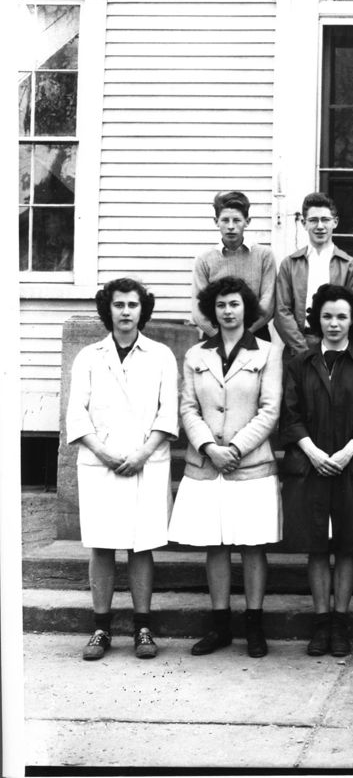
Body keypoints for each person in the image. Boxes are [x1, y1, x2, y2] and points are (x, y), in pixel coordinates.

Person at [65, 278, 179, 661]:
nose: (126, 311)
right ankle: (101, 628)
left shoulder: (161, 355)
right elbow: (76, 415)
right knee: (102, 543)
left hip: (146, 462)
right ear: (108, 309)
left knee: (141, 543)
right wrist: (106, 454)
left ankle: (142, 627)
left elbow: (168, 412)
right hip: (101, 464)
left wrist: (142, 454)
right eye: (119, 305)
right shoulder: (89, 356)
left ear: (142, 309)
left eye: (133, 305)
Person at [169, 276, 283, 658]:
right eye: (220, 305)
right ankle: (219, 626)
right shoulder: (196, 355)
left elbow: (270, 410)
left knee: (252, 546)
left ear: (245, 308)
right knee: (214, 545)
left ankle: (254, 625)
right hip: (207, 464)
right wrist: (207, 446)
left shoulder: (267, 352)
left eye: (234, 304)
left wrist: (235, 447)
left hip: (249, 463)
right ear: (212, 311)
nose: (228, 311)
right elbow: (187, 407)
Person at [278, 284, 353, 657]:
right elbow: (289, 416)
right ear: (317, 320)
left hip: (351, 466)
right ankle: (320, 621)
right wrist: (311, 451)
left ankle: (340, 621)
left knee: (346, 547)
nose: (334, 324)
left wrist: (348, 450)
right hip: (310, 468)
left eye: (342, 316)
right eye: (327, 316)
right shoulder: (299, 363)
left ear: (352, 320)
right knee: (315, 547)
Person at [275, 192, 353, 358]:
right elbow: (282, 311)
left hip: (337, 350)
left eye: (325, 220)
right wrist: (303, 351)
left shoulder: (350, 266)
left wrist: (335, 350)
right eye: (313, 220)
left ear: (335, 222)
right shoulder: (290, 264)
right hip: (298, 347)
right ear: (304, 223)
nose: (320, 226)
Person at [191, 191, 276, 340]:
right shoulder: (204, 259)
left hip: (255, 335)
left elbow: (267, 304)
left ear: (247, 221)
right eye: (225, 220)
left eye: (236, 220)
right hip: (215, 336)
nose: (231, 226)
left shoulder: (264, 255)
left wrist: (244, 336)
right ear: (216, 221)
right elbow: (198, 309)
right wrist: (220, 337)